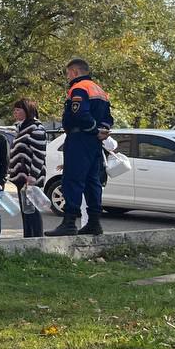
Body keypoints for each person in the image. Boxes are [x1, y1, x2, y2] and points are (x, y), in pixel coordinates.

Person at [49, 58, 113, 236]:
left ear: (75, 72)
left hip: (80, 138)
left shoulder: (79, 88)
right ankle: (94, 222)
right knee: (93, 181)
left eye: (68, 73)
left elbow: (79, 113)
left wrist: (92, 129)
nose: (67, 77)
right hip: (94, 142)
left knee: (72, 179)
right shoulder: (100, 90)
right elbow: (108, 118)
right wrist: (102, 130)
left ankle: (69, 223)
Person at [7, 98, 47, 238]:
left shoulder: (36, 128)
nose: (15, 112)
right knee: (25, 210)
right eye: (15, 110)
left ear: (27, 111)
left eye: (18, 110)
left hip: (30, 176)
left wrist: (33, 175)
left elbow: (39, 154)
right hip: (20, 176)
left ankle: (36, 238)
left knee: (32, 210)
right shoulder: (20, 127)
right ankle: (27, 237)